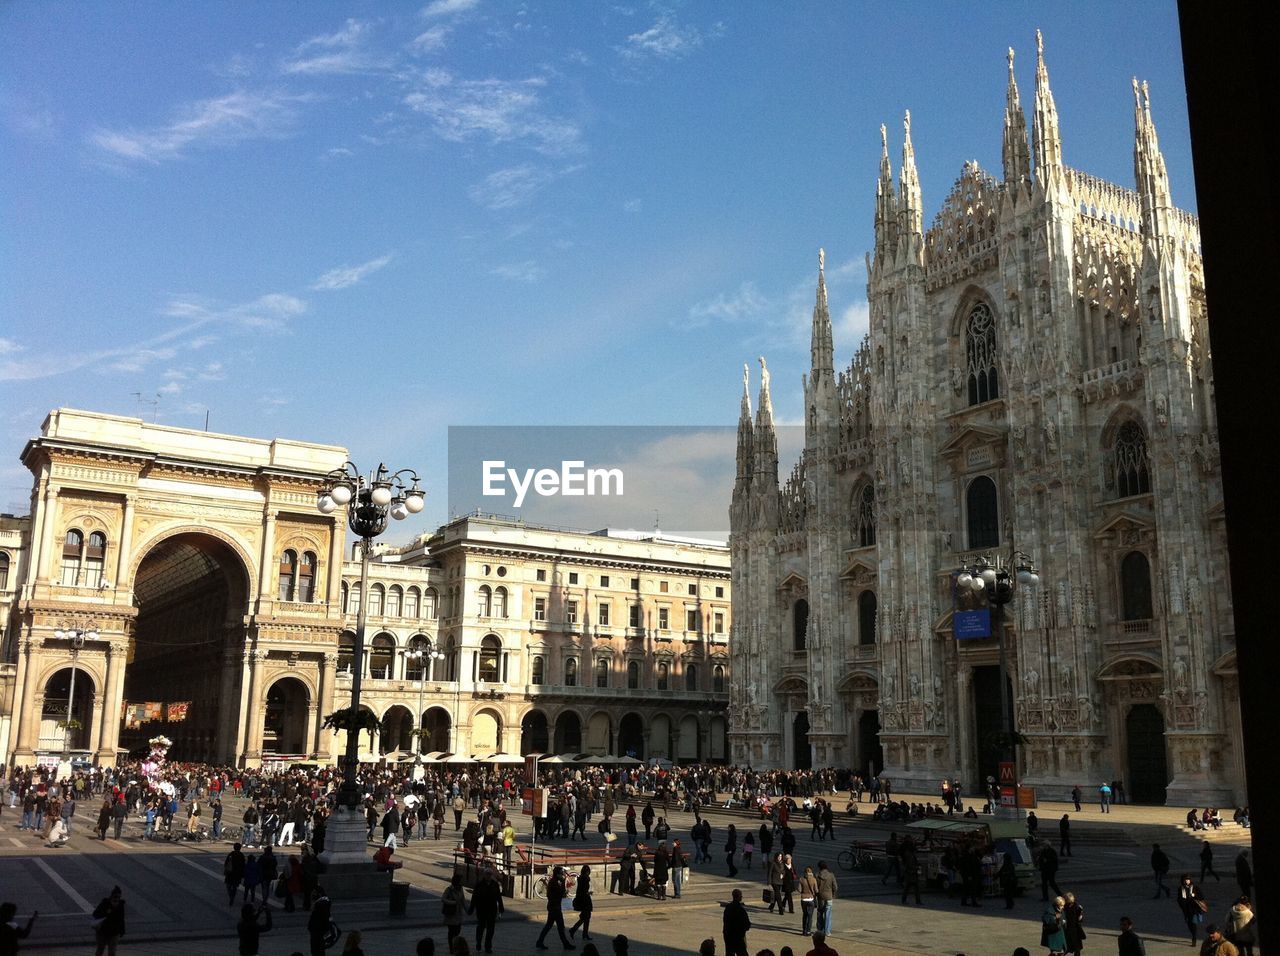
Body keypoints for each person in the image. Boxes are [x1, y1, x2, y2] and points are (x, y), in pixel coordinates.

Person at [535, 866, 574, 950]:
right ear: (557, 874)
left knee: (549, 926)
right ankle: (565, 944)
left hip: (553, 906)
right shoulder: (554, 882)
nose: (562, 875)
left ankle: (540, 941)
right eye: (561, 874)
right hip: (555, 907)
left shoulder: (554, 881)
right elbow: (561, 893)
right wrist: (564, 883)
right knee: (560, 927)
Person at [469, 866, 504, 954]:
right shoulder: (479, 884)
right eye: (487, 874)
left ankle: (488, 946)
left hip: (492, 910)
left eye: (490, 874)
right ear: (484, 875)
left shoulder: (495, 885)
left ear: (491, 875)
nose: (488, 876)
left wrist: (501, 908)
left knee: (490, 930)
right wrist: (471, 908)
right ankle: (478, 943)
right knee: (480, 928)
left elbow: (498, 897)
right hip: (481, 910)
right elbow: (474, 897)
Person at [92, 886, 126, 956]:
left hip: (114, 932)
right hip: (103, 932)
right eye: (115, 897)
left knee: (112, 952)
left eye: (118, 897)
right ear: (111, 896)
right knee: (100, 950)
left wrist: (122, 930)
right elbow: (95, 913)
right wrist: (107, 912)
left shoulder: (120, 905)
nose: (117, 899)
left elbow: (121, 919)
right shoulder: (105, 903)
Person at [1177, 874, 1207, 946]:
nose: (1187, 881)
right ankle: (1193, 934)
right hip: (1186, 909)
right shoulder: (1181, 889)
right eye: (1185, 880)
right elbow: (1179, 899)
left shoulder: (1195, 888)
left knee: (1193, 923)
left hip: (1194, 909)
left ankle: (1194, 938)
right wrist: (1182, 902)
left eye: (1188, 879)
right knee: (1189, 924)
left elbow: (1202, 897)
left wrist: (1194, 895)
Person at [722, 888, 751, 956]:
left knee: (729, 953)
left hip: (728, 935)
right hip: (738, 937)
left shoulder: (728, 907)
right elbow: (747, 924)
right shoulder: (741, 910)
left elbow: (725, 920)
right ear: (739, 897)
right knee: (742, 953)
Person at [569, 864, 593, 941]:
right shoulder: (586, 879)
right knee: (586, 917)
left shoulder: (581, 878)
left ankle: (583, 933)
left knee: (585, 917)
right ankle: (577, 931)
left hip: (581, 899)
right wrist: (589, 893)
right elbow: (584, 891)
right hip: (585, 900)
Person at [307, 886, 332, 956]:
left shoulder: (319, 904)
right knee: (320, 949)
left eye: (314, 892)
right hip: (319, 930)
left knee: (316, 949)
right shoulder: (325, 901)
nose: (312, 894)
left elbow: (320, 917)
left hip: (317, 930)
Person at [815, 861, 837, 936]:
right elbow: (835, 887)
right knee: (828, 914)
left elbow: (815, 887)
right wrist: (833, 894)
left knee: (820, 913)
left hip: (820, 897)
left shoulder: (817, 875)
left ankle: (820, 929)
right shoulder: (831, 875)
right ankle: (827, 931)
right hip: (829, 896)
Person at [442, 874, 466, 944]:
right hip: (451, 914)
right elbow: (443, 899)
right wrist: (453, 902)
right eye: (460, 880)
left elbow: (463, 900)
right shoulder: (449, 889)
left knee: (458, 930)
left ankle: (454, 943)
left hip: (458, 913)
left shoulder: (460, 888)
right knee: (451, 931)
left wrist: (467, 909)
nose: (461, 882)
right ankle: (451, 947)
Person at [799, 866, 819, 936]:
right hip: (811, 899)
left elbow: (799, 889)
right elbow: (816, 890)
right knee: (810, 916)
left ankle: (804, 930)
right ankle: (808, 931)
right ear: (811, 872)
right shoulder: (814, 879)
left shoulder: (801, 879)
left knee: (805, 915)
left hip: (803, 899)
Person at [1063, 892, 1086, 956]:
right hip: (1068, 929)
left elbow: (1080, 919)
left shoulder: (1076, 907)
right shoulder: (1064, 907)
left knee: (1076, 948)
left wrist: (1080, 916)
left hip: (1075, 930)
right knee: (1069, 948)